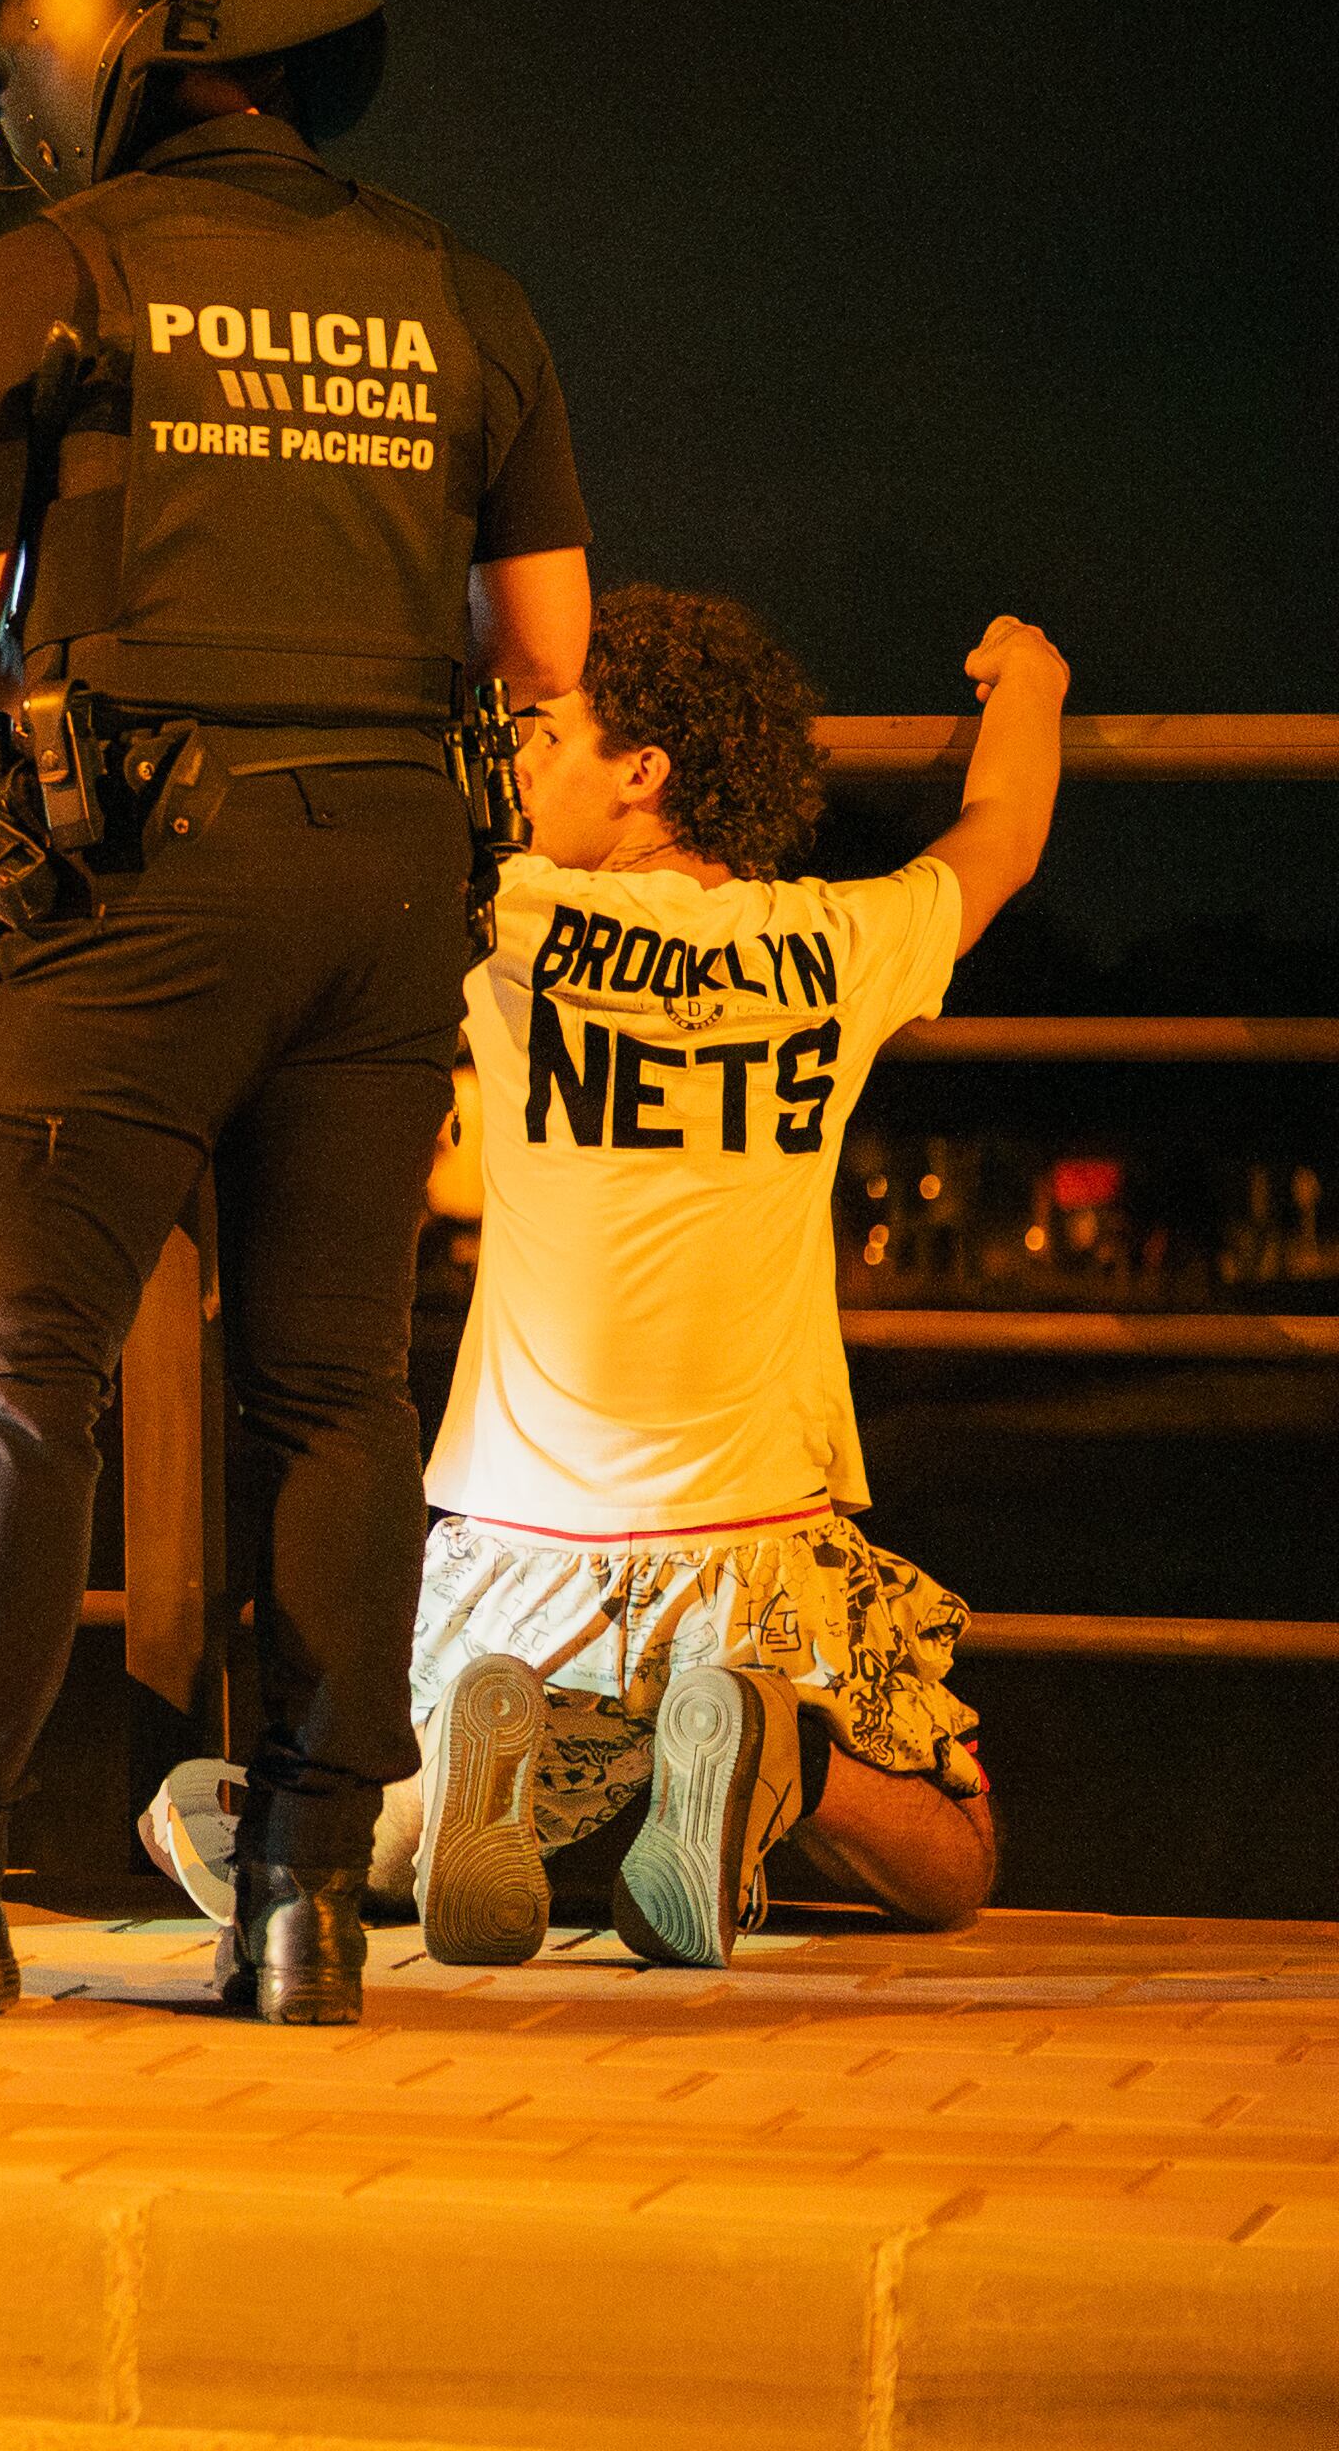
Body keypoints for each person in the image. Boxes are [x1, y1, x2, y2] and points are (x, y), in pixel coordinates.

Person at [0, 0, 594, 2026]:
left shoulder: (43, 279)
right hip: (388, 885)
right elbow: (541, 650)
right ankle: (297, 1902)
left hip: (140, 883)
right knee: (333, 1389)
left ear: (89, 65)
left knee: (17, 1378)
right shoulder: (459, 288)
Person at [161, 594, 1046, 1967]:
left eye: (547, 731)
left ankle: (479, 1766)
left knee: (314, 1835)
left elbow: (296, 844)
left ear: (645, 773)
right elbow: (1000, 840)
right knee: (955, 1865)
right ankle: (770, 1767)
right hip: (751, 1542)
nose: (516, 757)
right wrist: (1028, 684)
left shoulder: (497, 910)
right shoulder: (842, 940)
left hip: (519, 1545)